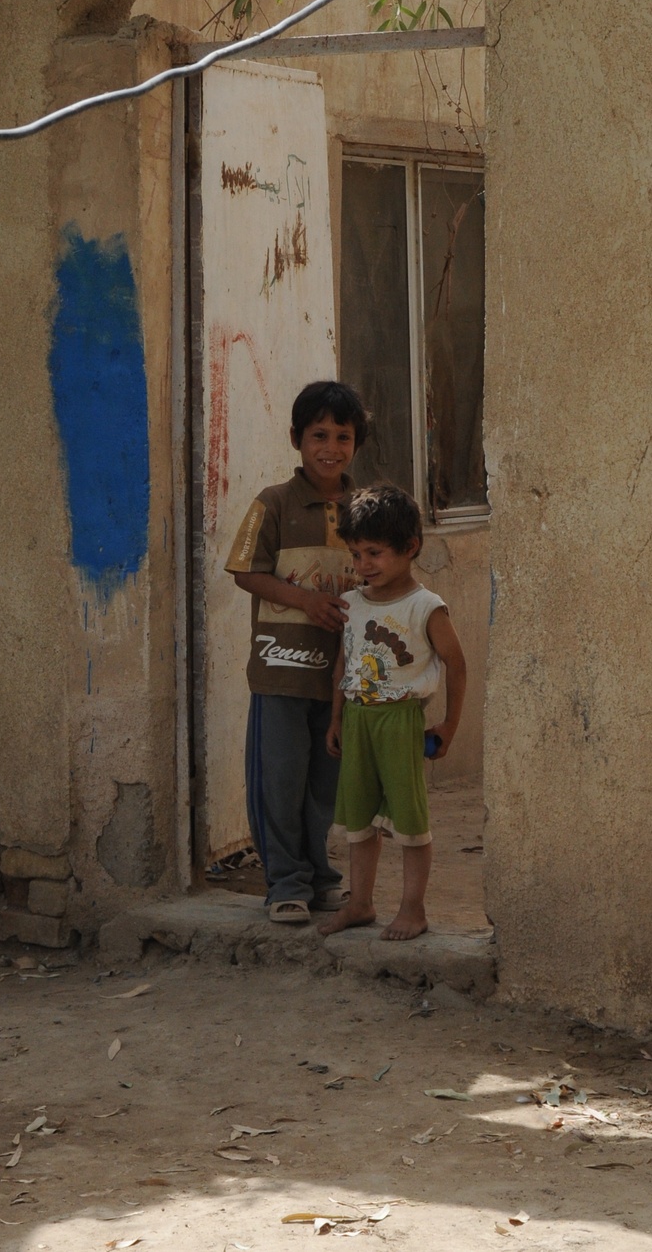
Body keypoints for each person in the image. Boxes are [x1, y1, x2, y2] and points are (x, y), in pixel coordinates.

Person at [225, 380, 370, 924]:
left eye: (343, 436)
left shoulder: (366, 508)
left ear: (356, 443)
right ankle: (284, 881)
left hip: (342, 676)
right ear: (296, 438)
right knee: (279, 779)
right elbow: (244, 572)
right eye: (318, 435)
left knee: (324, 784)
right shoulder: (274, 504)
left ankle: (319, 876)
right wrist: (307, 602)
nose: (330, 447)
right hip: (283, 670)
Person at [319, 483, 467, 942]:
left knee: (409, 822)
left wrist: (449, 726)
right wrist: (337, 718)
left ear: (410, 548)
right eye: (357, 554)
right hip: (358, 720)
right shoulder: (354, 603)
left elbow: (457, 665)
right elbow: (344, 663)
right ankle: (360, 904)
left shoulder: (425, 607)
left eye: (376, 553)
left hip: (400, 722)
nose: (364, 565)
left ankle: (412, 909)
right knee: (358, 822)